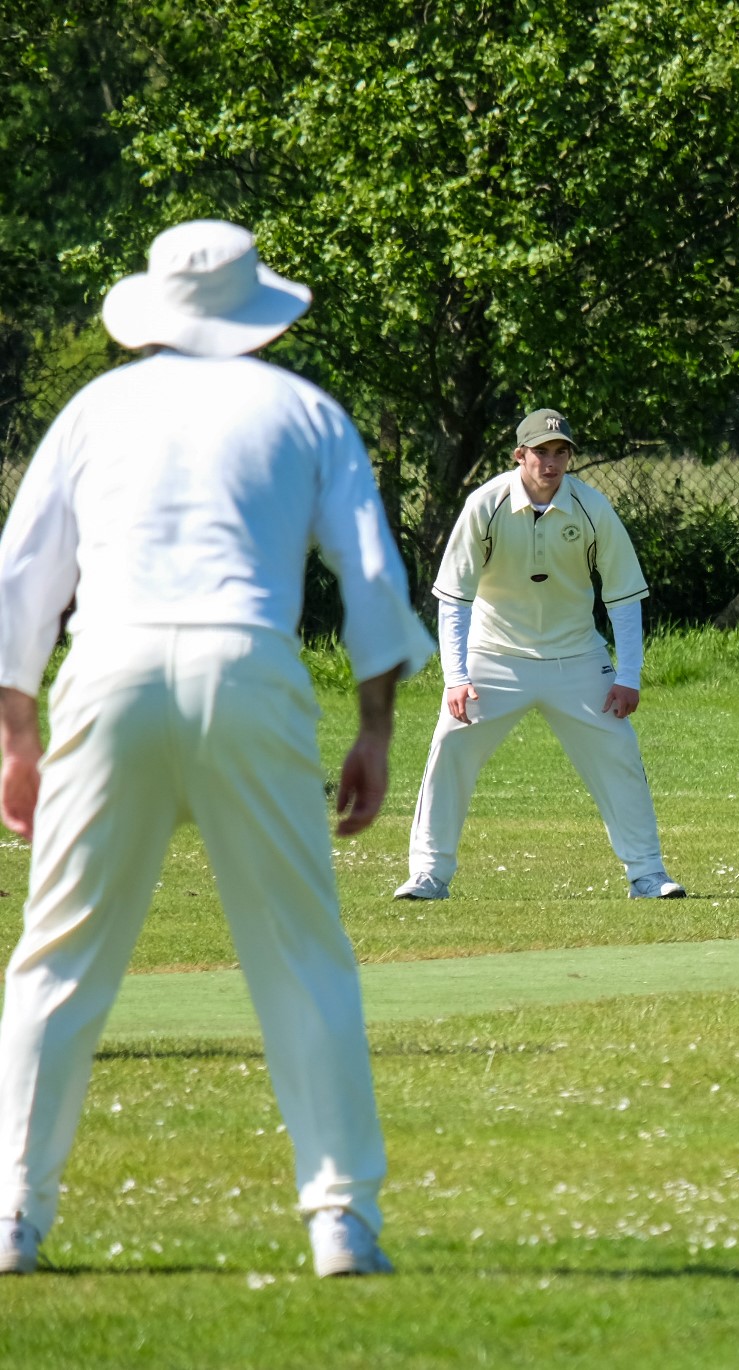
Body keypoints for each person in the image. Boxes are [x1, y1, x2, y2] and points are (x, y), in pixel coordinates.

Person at [0, 219, 432, 1276]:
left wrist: (17, 735)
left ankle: (12, 1214)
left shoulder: (96, 409)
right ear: (256, 314)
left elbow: (20, 576)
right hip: (249, 665)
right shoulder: (303, 410)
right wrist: (375, 729)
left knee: (58, 956)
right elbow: (372, 577)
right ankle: (341, 1218)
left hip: (111, 666)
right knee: (301, 954)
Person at [393, 409, 685, 902]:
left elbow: (623, 596)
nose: (551, 463)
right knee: (450, 746)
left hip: (577, 658)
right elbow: (454, 598)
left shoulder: (592, 508)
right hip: (494, 657)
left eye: (560, 452)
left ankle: (647, 875)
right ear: (519, 455)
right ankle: (428, 875)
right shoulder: (485, 505)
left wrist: (629, 676)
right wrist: (455, 677)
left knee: (618, 752)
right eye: (541, 452)